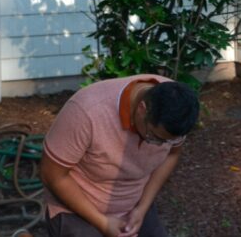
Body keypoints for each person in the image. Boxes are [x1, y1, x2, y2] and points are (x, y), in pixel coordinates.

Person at [41, 75, 200, 237]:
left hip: (134, 204)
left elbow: (172, 155)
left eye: (167, 141)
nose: (158, 145)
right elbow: (52, 176)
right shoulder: (87, 111)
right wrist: (102, 223)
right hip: (76, 209)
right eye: (154, 137)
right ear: (142, 109)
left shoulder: (179, 110)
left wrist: (142, 209)